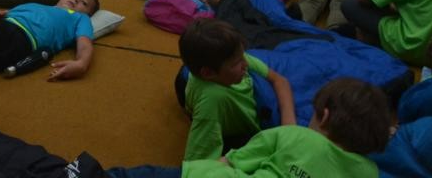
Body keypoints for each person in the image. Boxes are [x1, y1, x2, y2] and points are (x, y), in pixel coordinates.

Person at [110, 78, 389, 178]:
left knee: (142, 174)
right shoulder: (368, 171)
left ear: (324, 117)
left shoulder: (294, 135)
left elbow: (230, 162)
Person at [177, 18, 296, 161]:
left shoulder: (235, 60)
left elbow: (280, 80)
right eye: (236, 63)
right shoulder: (212, 101)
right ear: (208, 73)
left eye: (243, 56)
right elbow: (198, 163)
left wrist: (289, 128)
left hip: (204, 94)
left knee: (183, 75)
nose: (245, 64)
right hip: (231, 128)